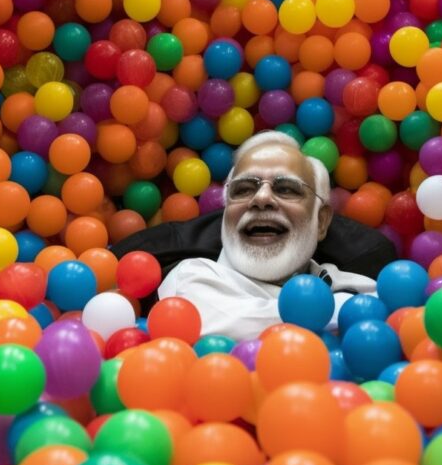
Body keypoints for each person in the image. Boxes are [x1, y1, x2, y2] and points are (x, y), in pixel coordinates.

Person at [157, 131, 377, 340]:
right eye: (243, 189)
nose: (261, 198)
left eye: (286, 189)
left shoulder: (360, 287)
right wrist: (347, 312)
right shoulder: (191, 279)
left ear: (320, 222)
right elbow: (225, 324)